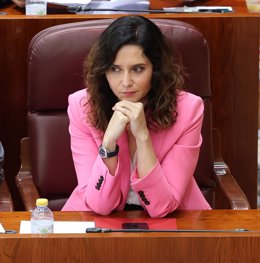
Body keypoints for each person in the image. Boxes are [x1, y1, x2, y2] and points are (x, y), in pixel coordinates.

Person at [62, 15, 211, 218]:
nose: (125, 82)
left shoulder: (188, 109)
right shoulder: (82, 106)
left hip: (174, 221)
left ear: (156, 69)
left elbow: (162, 207)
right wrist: (108, 145)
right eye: (115, 69)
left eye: (138, 69)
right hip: (101, 223)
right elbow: (99, 205)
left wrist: (143, 137)